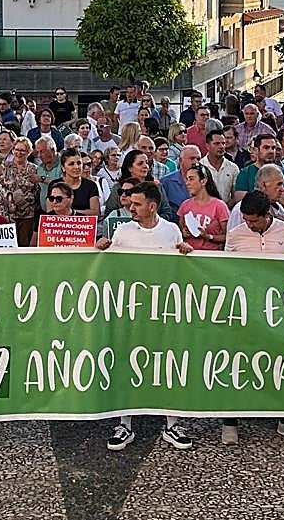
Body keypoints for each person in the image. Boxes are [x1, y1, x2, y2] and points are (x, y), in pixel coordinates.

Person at [95, 182, 194, 451]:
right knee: (127, 362)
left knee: (167, 363)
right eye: (130, 202)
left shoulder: (171, 230)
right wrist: (102, 248)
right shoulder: (123, 231)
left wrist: (186, 252)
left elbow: (182, 270)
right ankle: (124, 424)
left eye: (137, 203)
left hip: (163, 311)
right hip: (131, 311)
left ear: (152, 206)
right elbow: (109, 267)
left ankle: (172, 423)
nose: (130, 207)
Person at [226, 189, 284, 254]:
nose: (249, 225)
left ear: (267, 215)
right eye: (245, 220)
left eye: (254, 221)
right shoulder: (234, 234)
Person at [176, 163, 229, 250]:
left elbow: (227, 236)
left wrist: (208, 236)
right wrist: (183, 233)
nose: (187, 183)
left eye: (191, 179)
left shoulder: (219, 206)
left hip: (210, 255)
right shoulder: (185, 205)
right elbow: (179, 232)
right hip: (189, 255)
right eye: (187, 179)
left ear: (203, 181)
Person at [200, 129, 239, 203]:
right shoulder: (200, 166)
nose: (221, 146)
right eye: (216, 143)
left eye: (223, 143)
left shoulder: (233, 168)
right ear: (207, 146)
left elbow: (236, 195)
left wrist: (225, 208)